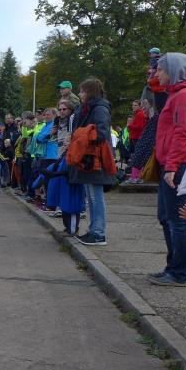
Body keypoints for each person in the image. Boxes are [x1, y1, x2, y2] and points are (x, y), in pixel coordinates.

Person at [151, 52, 186, 286]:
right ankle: (172, 267)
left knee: (177, 220)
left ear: (174, 70)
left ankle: (179, 273)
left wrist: (172, 167)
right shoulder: (175, 94)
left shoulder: (183, 96)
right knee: (166, 218)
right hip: (170, 164)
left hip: (176, 166)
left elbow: (183, 134)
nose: (156, 73)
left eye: (160, 69)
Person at [68, 78, 115, 246]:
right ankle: (94, 229)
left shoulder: (100, 108)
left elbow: (101, 133)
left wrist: (81, 135)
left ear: (89, 92)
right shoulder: (89, 108)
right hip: (89, 158)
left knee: (96, 197)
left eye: (82, 91)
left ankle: (99, 233)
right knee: (91, 197)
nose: (79, 94)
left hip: (95, 159)